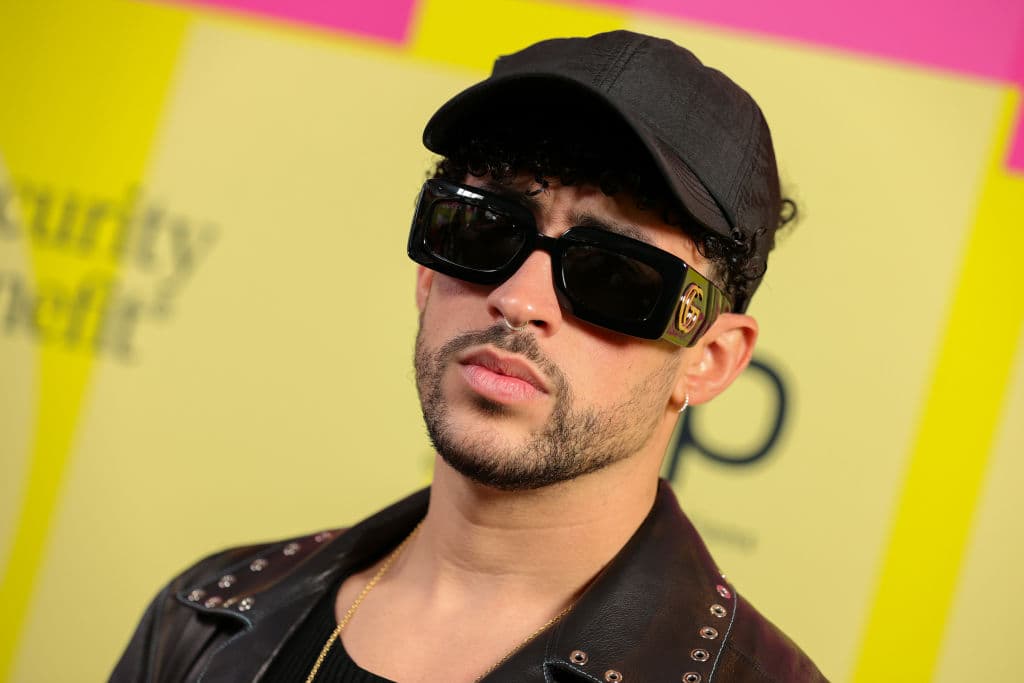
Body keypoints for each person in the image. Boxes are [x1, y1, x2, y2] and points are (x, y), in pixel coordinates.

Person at [112, 30, 826, 682]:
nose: (519, 299)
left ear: (711, 357)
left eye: (613, 274)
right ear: (427, 273)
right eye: (484, 229)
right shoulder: (206, 619)